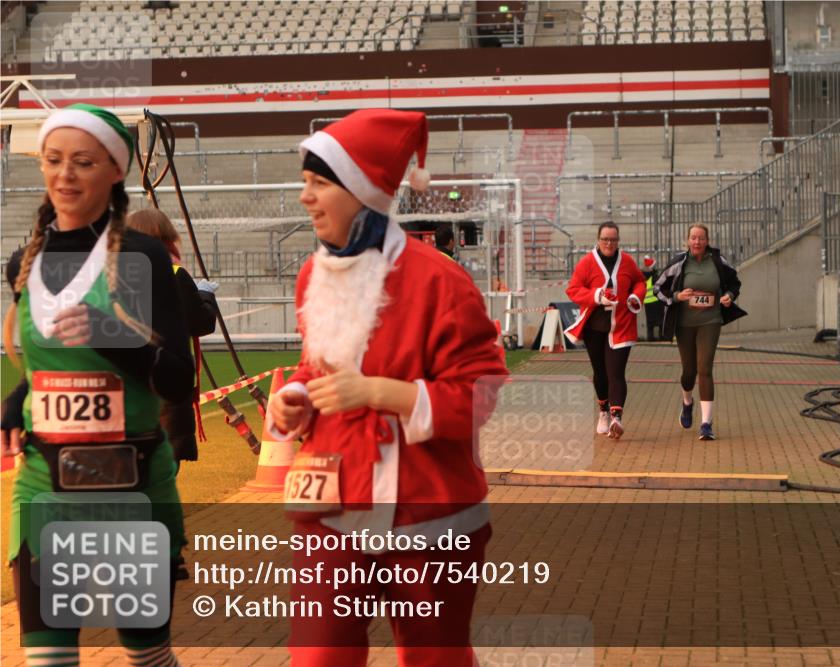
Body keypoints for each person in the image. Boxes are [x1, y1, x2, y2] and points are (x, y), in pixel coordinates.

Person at [266, 109, 508, 666]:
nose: (305, 197)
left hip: (430, 519)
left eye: (319, 183)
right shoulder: (313, 273)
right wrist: (296, 399)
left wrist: (379, 393)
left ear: (361, 190)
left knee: (434, 659)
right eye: (305, 182)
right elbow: (317, 368)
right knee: (318, 658)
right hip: (331, 508)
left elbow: (480, 393)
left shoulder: (441, 280)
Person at [1, 104, 192, 667]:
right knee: (48, 659)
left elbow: (178, 382)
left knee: (147, 656)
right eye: (53, 160)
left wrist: (116, 335)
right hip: (44, 484)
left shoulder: (142, 256)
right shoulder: (23, 261)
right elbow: (46, 367)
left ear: (115, 171)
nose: (64, 175)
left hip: (129, 486)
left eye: (83, 162)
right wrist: (16, 402)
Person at [127, 208, 218, 468]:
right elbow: (200, 322)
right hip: (168, 377)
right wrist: (205, 295)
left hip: (129, 380)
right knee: (164, 465)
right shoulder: (175, 274)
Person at [653, 223, 747, 440]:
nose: (697, 242)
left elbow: (735, 283)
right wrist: (676, 297)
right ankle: (687, 402)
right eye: (693, 238)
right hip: (684, 324)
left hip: (710, 321)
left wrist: (729, 296)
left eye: (701, 238)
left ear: (707, 241)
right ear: (688, 241)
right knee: (689, 372)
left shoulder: (717, 261)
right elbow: (657, 288)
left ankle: (706, 424)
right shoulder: (679, 263)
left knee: (705, 368)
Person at [564, 222, 645, 439]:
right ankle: (603, 411)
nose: (609, 243)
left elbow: (639, 281)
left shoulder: (627, 261)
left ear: (618, 241)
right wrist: (596, 296)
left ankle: (616, 417)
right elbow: (573, 289)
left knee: (616, 372)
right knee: (600, 373)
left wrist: (636, 297)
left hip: (621, 326)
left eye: (613, 239)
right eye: (605, 239)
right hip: (594, 327)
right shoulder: (587, 262)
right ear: (598, 240)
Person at [641, 255, 664, 341]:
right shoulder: (654, 277)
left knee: (650, 322)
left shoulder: (642, 276)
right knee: (660, 320)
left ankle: (650, 338)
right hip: (656, 300)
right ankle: (661, 337)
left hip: (647, 302)